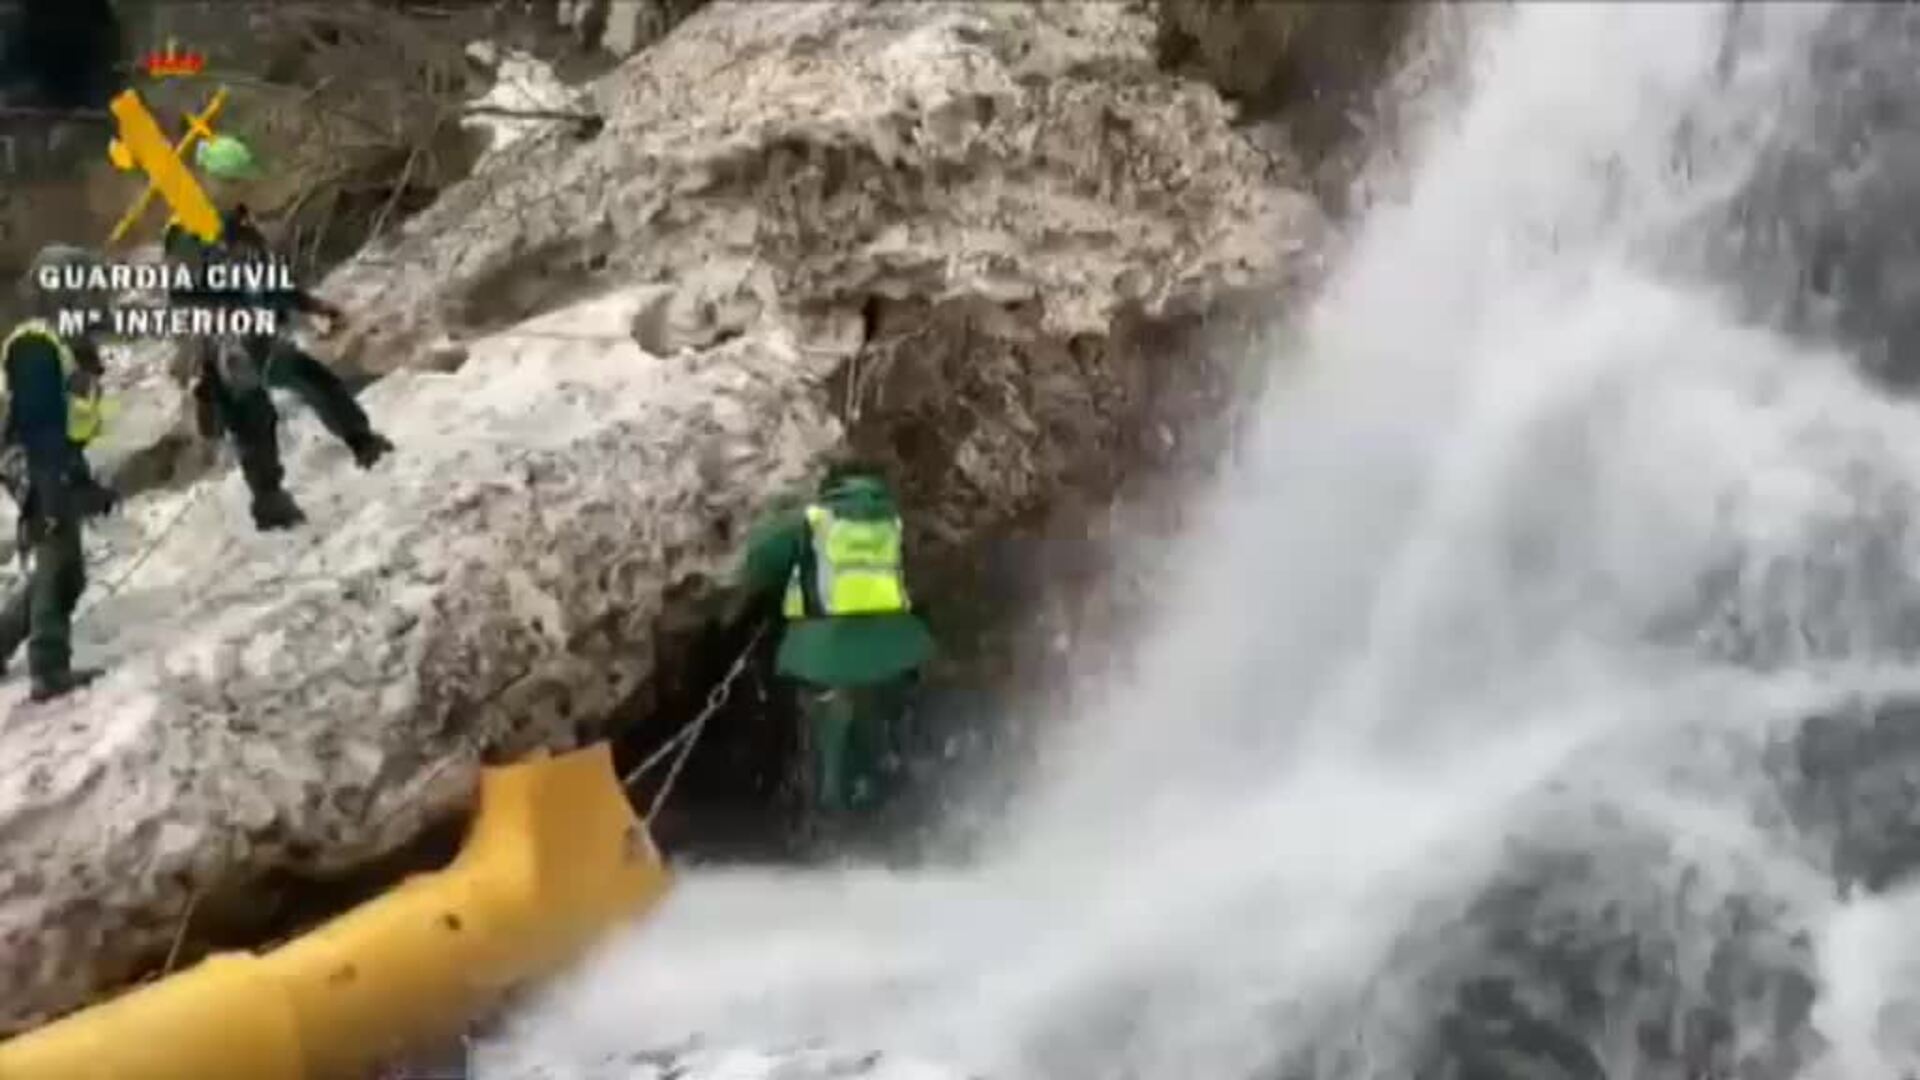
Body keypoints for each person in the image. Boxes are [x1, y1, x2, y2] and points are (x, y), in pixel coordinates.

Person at [162, 135, 393, 531]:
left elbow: (270, 282)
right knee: (253, 417)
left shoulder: (243, 229)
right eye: (230, 181)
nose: (238, 189)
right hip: (221, 342)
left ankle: (363, 442)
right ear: (207, 179)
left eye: (241, 181)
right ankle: (269, 501)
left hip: (258, 334)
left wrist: (311, 305)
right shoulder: (187, 233)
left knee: (312, 377)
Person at [729, 457, 936, 846]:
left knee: (826, 741)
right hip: (893, 654)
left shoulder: (811, 522)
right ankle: (888, 819)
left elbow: (758, 563)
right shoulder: (893, 522)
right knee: (878, 733)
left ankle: (828, 826)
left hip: (823, 655)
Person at [0, 246, 118, 701]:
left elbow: (69, 425)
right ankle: (48, 667)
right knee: (57, 555)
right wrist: (51, 491)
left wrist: (83, 483)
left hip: (52, 456)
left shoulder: (66, 346)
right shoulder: (36, 345)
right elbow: (37, 425)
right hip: (31, 458)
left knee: (66, 567)